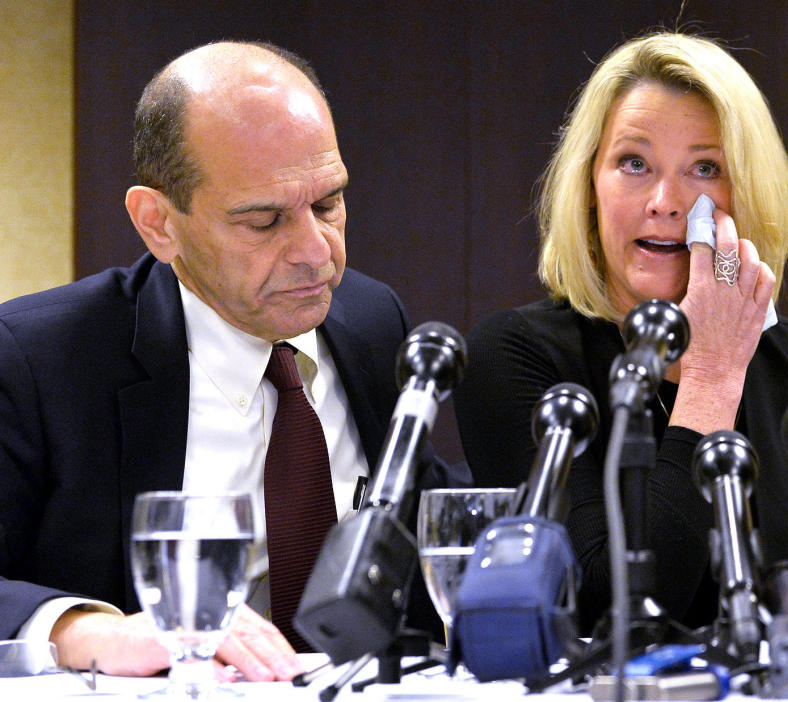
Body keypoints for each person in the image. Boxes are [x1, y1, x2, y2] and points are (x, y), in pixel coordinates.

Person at [0, 41, 453, 680]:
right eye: (264, 222)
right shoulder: (41, 360)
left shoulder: (373, 322)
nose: (316, 253)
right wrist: (89, 630)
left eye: (327, 204)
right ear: (158, 223)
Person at [453, 33, 788, 635]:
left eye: (705, 168)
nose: (665, 202)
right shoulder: (515, 356)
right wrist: (710, 379)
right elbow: (606, 614)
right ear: (589, 186)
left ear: (749, 195)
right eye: (634, 163)